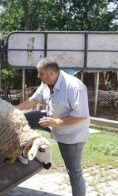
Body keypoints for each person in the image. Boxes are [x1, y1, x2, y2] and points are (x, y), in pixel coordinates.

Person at [16, 57, 90, 196]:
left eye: (41, 73)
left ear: (51, 73)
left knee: (74, 172)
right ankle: (24, 153)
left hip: (71, 134)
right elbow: (33, 100)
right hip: (51, 121)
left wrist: (56, 122)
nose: (38, 76)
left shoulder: (74, 86)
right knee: (25, 119)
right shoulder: (46, 84)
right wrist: (14, 109)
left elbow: (81, 115)